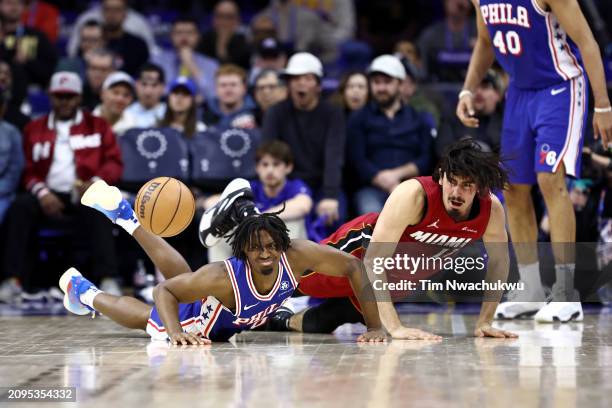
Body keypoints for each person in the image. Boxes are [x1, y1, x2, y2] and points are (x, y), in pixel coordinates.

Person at [58, 178, 386, 344]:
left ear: (283, 244)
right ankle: (83, 291)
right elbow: (164, 292)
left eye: (272, 246)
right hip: (201, 324)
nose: (266, 254)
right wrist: (175, 334)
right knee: (149, 318)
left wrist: (374, 326)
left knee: (186, 278)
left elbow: (354, 266)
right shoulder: (224, 276)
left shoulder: (298, 253)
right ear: (243, 252)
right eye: (256, 249)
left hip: (222, 315)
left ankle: (125, 217)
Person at [456, 0, 612, 322]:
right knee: (512, 187)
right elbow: (485, 43)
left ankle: (566, 291)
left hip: (561, 87)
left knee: (549, 180)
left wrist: (603, 105)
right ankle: (530, 289)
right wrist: (467, 91)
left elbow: (587, 41)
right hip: (520, 93)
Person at [266, 139, 516, 339]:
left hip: (401, 276)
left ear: (481, 188)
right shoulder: (414, 194)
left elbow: (498, 264)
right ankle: (235, 285)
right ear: (441, 178)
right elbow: (373, 262)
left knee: (326, 321)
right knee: (285, 280)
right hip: (361, 252)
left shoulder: (490, 210)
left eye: (467, 186)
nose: (457, 193)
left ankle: (276, 321)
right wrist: (395, 327)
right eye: (452, 182)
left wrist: (485, 321)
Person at [1, 71, 123, 299]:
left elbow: (114, 162)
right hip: (47, 194)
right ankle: (12, 280)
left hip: (85, 192)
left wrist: (94, 184)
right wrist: (43, 193)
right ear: (50, 97)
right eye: (59, 96)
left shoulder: (97, 125)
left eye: (69, 96)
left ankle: (107, 277)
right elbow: (26, 169)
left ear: (79, 98)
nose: (64, 102)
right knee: (19, 207)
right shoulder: (34, 128)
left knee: (101, 208)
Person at [262, 52, 346, 227]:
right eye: (295, 78)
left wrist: (330, 195)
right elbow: (268, 155)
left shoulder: (333, 113)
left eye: (307, 78)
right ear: (288, 84)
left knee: (337, 218)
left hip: (322, 184)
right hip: (286, 184)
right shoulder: (275, 112)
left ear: (318, 86)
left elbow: (334, 157)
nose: (301, 83)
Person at [348, 55, 435, 215]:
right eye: (376, 82)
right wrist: (385, 181)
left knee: (418, 218)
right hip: (371, 188)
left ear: (400, 84)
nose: (381, 88)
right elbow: (357, 159)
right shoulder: (358, 118)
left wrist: (396, 177)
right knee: (371, 215)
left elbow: (425, 158)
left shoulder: (419, 118)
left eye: (387, 82)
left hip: (411, 186)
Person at [207, 141, 313, 262]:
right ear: (257, 168)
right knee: (221, 229)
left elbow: (303, 206)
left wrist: (260, 217)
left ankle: (288, 276)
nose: (270, 170)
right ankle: (222, 277)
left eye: (276, 164)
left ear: (288, 167)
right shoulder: (250, 187)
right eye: (265, 164)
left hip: (288, 247)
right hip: (254, 240)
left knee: (294, 222)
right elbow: (212, 202)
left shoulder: (295, 186)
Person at [151, 16, 219, 102]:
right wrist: (188, 99)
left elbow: (213, 96)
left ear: (198, 36)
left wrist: (191, 65)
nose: (184, 37)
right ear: (171, 36)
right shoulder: (158, 61)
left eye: (189, 33)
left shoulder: (211, 64)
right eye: (179, 33)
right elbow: (151, 92)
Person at [417, 0, 476, 82]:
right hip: (437, 89)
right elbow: (422, 72)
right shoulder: (431, 36)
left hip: (474, 88)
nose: (457, 2)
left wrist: (481, 48)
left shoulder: (480, 32)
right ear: (445, 3)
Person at [198, 0, 251, 69]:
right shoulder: (204, 39)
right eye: (220, 16)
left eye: (229, 17)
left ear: (238, 20)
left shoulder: (244, 42)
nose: (224, 22)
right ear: (213, 19)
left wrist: (222, 48)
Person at [202, 64, 256, 130]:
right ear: (215, 89)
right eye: (223, 85)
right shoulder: (203, 113)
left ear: (244, 88)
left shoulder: (257, 114)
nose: (228, 90)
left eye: (233, 85)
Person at [93, 71, 136, 136]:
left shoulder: (134, 127)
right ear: (102, 94)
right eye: (115, 92)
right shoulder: (85, 123)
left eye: (126, 95)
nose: (120, 99)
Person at [125, 63, 166, 128]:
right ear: (136, 85)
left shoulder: (169, 114)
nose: (148, 91)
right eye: (144, 84)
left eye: (154, 85)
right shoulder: (125, 113)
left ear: (163, 87)